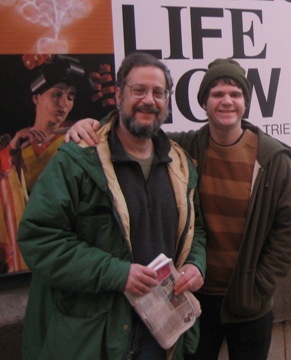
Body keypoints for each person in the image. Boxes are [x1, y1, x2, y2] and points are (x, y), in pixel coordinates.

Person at [67, 58, 291, 360]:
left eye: (235, 93)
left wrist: (257, 287)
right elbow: (132, 130)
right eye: (217, 94)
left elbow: (288, 233)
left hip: (249, 304)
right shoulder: (182, 150)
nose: (226, 101)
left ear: (246, 101)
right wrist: (92, 125)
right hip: (193, 299)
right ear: (204, 102)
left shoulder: (274, 160)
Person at [18, 52, 206, 360]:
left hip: (160, 337)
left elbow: (195, 229)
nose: (149, 100)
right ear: (118, 94)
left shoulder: (181, 165)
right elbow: (39, 238)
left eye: (158, 93)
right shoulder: (78, 158)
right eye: (138, 90)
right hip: (93, 338)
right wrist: (117, 273)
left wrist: (195, 265)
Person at [0, 55, 84, 273]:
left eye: (70, 96)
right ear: (36, 97)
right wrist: (12, 152)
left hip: (61, 242)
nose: (64, 103)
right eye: (57, 94)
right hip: (19, 247)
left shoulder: (79, 137)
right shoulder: (17, 144)